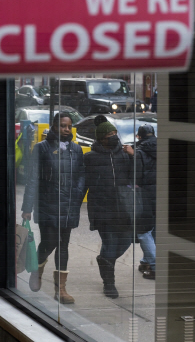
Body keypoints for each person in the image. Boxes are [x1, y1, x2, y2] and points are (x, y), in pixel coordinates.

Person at [21, 112, 85, 304]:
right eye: (62, 126)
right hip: (47, 203)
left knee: (63, 245)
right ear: (54, 126)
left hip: (69, 205)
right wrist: (27, 207)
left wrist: (77, 194)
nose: (66, 129)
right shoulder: (41, 148)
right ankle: (36, 271)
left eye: (69, 126)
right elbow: (32, 178)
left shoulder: (76, 149)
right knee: (49, 242)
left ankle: (61, 289)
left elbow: (81, 175)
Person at [84, 116, 141, 299]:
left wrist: (134, 157)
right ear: (101, 138)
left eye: (115, 133)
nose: (114, 136)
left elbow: (138, 176)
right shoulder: (90, 158)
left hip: (124, 209)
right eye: (110, 134)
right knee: (109, 245)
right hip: (102, 208)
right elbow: (82, 183)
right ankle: (109, 284)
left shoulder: (125, 154)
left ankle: (104, 261)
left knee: (124, 242)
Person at [123, 124, 157, 280]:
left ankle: (156, 266)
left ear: (139, 136)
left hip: (144, 196)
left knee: (143, 232)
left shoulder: (139, 152)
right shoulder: (163, 148)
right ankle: (146, 261)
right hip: (161, 195)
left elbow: (135, 176)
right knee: (154, 230)